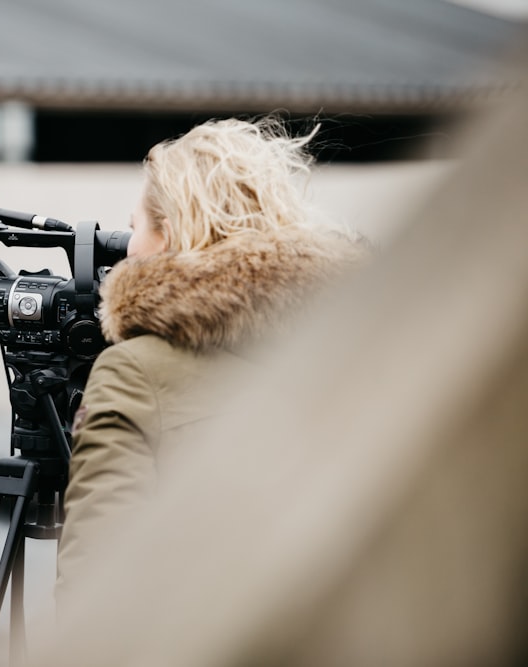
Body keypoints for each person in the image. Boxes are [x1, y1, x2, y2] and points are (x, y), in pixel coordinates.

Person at [55, 117, 367, 597]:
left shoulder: (133, 371)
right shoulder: (346, 349)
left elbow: (97, 589)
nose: (126, 249)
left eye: (134, 227)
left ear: (169, 234)